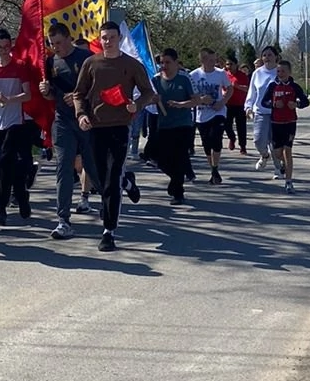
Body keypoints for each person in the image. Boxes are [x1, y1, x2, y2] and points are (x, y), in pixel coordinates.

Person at [73, 20, 155, 252]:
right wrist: (81, 115)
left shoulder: (131, 65)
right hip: (96, 127)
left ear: (119, 38)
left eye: (111, 37)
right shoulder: (91, 63)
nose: (107, 41)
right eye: (104, 37)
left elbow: (148, 92)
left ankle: (109, 231)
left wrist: (136, 105)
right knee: (100, 177)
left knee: (111, 179)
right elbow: (79, 94)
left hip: (120, 126)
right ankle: (127, 182)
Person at [40, 20, 99, 239]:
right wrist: (45, 90)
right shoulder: (50, 62)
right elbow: (49, 95)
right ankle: (63, 220)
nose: (56, 47)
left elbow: (97, 89)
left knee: (93, 168)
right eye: (52, 43)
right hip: (62, 122)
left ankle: (114, 196)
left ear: (68, 38)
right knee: (64, 169)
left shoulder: (85, 59)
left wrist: (77, 96)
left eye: (59, 42)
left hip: (86, 121)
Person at [0, 27, 33, 225]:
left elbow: (28, 95)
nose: (4, 50)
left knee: (5, 162)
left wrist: (9, 98)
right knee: (11, 164)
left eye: (7, 46)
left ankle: (1, 207)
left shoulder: (20, 65)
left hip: (17, 121)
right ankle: (21, 196)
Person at [150, 48, 196, 203]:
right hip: (164, 125)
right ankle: (176, 178)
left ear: (176, 63)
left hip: (183, 124)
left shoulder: (184, 78)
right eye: (162, 62)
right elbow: (147, 98)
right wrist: (152, 99)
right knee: (162, 160)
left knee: (180, 157)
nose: (164, 66)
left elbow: (196, 100)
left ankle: (178, 191)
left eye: (168, 62)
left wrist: (181, 104)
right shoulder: (156, 80)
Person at [260, 57, 310, 193]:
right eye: (278, 71)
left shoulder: (294, 86)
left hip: (290, 122)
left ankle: (289, 182)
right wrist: (274, 104)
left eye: (283, 71)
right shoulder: (272, 86)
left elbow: (306, 102)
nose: (280, 73)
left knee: (288, 151)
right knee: (277, 153)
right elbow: (263, 102)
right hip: (276, 123)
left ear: (289, 72)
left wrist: (296, 104)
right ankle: (282, 164)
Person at [190, 46, 231, 186]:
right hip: (202, 114)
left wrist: (222, 102)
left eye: (215, 60)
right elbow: (191, 95)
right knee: (207, 144)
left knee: (216, 138)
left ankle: (215, 169)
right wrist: (200, 99)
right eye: (210, 60)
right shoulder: (194, 75)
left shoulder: (221, 74)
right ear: (202, 59)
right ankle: (213, 170)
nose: (213, 62)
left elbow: (229, 89)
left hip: (218, 112)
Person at [245, 45, 281, 171]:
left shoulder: (280, 71)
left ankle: (278, 168)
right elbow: (252, 91)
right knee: (258, 140)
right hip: (261, 111)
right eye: (264, 55)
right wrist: (248, 106)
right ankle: (265, 156)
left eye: (270, 55)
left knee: (275, 143)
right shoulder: (257, 73)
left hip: (277, 112)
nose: (267, 58)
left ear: (276, 57)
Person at [224, 51, 250, 153]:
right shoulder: (225, 75)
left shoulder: (242, 75)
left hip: (240, 105)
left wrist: (237, 86)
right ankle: (232, 138)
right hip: (228, 104)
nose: (229, 66)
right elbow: (221, 88)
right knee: (226, 125)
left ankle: (242, 146)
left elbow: (248, 89)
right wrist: (224, 92)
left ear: (236, 65)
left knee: (241, 127)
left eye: (231, 64)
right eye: (227, 64)